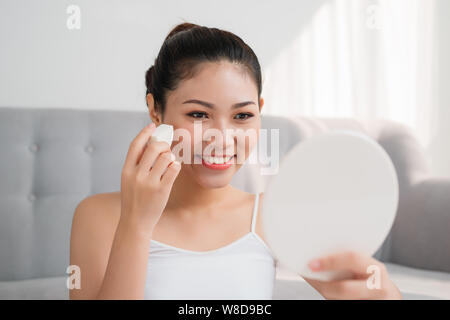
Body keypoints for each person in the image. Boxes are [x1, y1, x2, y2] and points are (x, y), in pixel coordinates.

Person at [69, 22, 402, 300]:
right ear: (156, 111)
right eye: (198, 114)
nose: (222, 138)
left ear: (259, 108)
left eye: (242, 115)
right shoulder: (99, 216)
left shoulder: (272, 217)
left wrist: (382, 291)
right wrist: (137, 223)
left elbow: (364, 285)